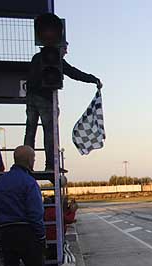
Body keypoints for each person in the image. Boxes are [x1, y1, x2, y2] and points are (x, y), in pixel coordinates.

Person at [24, 42, 103, 171]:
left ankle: (25, 164)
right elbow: (74, 73)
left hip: (31, 98)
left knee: (30, 131)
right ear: (58, 48)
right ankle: (50, 164)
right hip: (45, 99)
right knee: (49, 132)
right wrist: (94, 79)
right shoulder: (57, 61)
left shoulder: (37, 57)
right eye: (65, 49)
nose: (66, 52)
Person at [0, 146, 49, 266]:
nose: (34, 161)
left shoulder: (0, 182)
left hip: (5, 232)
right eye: (33, 158)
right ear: (27, 160)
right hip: (26, 232)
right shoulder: (28, 182)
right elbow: (35, 213)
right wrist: (41, 237)